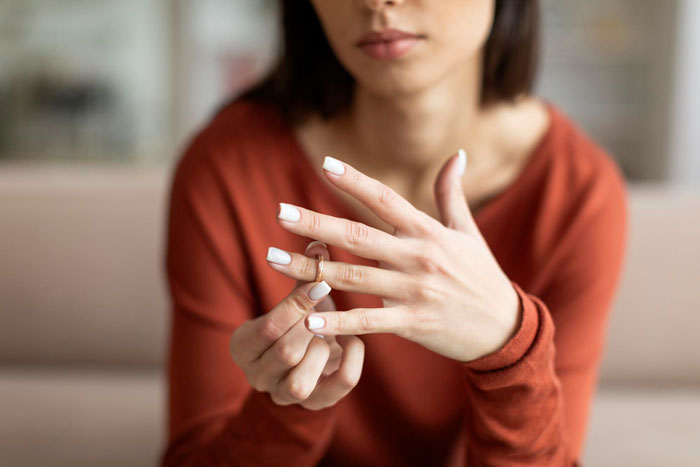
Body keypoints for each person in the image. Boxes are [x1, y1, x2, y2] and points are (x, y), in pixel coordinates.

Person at [162, 0, 628, 465]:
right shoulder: (226, 166)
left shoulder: (578, 191)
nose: (376, 3)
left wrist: (511, 353)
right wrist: (288, 405)